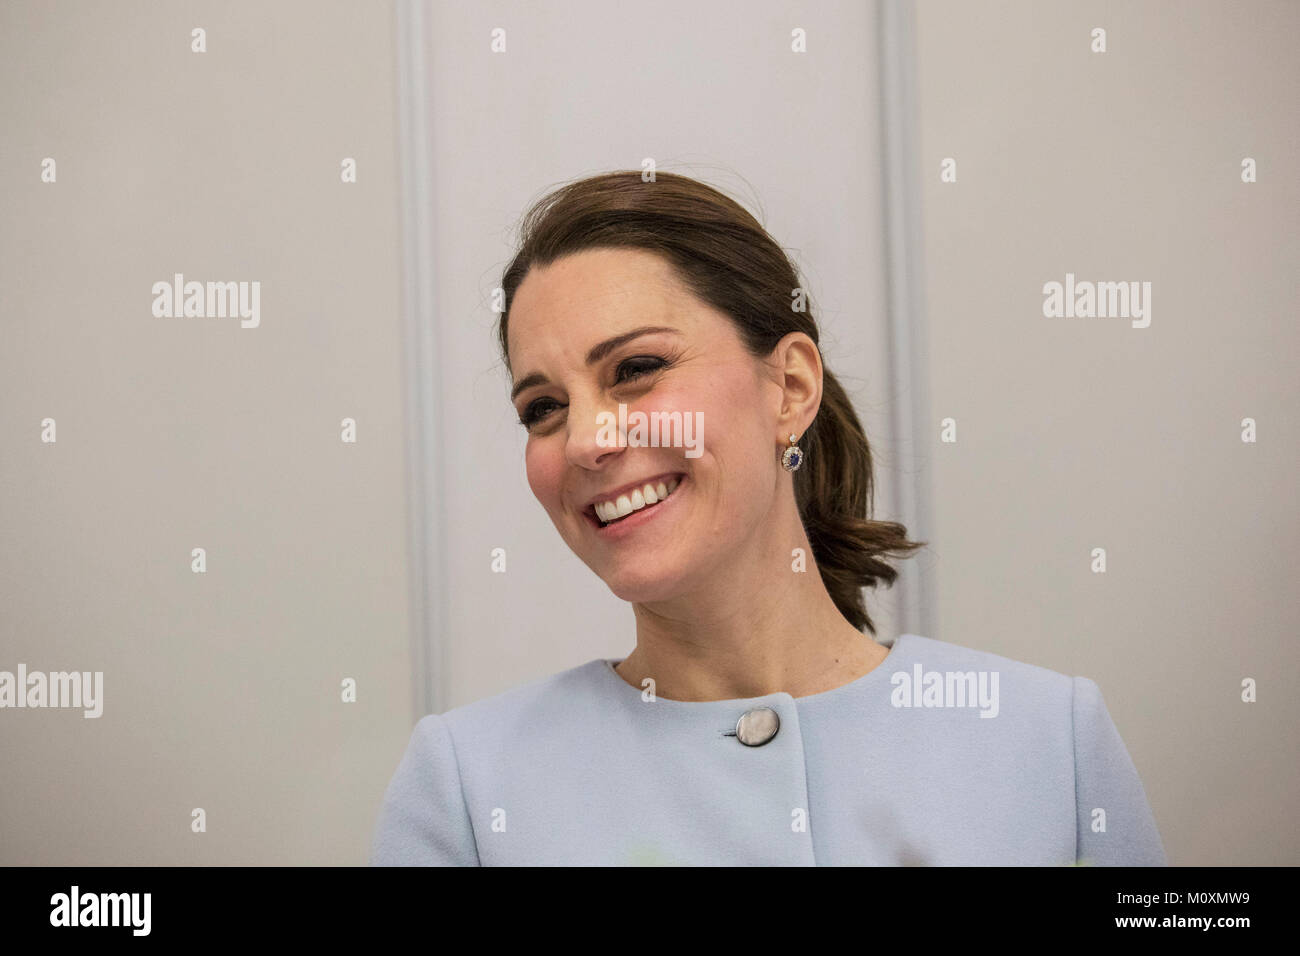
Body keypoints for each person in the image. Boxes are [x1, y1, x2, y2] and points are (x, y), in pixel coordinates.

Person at [370, 170, 1167, 866]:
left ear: (788, 387)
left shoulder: (1046, 741)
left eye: (636, 369)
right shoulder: (468, 789)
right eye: (542, 408)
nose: (584, 440)